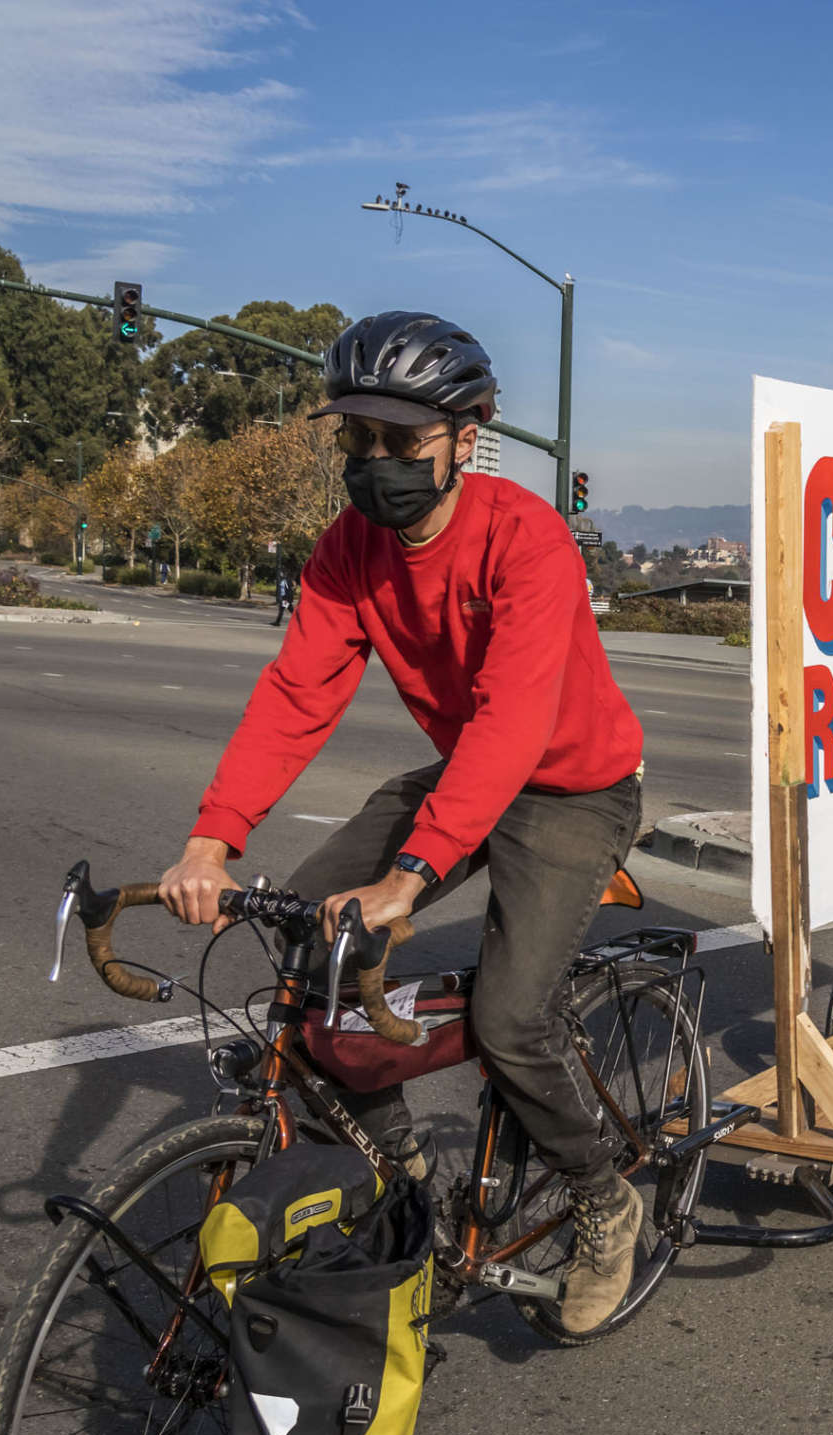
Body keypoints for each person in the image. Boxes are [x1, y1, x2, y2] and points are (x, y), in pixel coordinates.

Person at [155, 310, 651, 1336]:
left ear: (467, 437)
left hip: (571, 786)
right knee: (313, 955)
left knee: (513, 1018)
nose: (375, 462)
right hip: (469, 772)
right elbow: (298, 693)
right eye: (358, 439)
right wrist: (214, 837)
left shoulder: (527, 538)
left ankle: (607, 1198)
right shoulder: (350, 550)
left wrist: (410, 877)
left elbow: (515, 723)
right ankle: (402, 1173)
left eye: (400, 440)